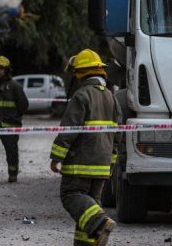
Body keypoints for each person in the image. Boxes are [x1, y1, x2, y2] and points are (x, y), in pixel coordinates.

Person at [49, 49, 121, 246]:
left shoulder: (81, 96)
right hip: (102, 165)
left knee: (71, 195)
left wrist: (56, 157)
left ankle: (101, 223)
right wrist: (110, 162)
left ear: (80, 73)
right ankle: (88, 241)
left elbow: (69, 130)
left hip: (80, 163)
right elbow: (117, 136)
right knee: (88, 207)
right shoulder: (112, 98)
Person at [0, 56, 29, 183]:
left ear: (7, 70)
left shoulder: (15, 87)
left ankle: (13, 175)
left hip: (10, 127)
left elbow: (24, 106)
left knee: (12, 152)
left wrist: (15, 119)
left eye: (1, 69)